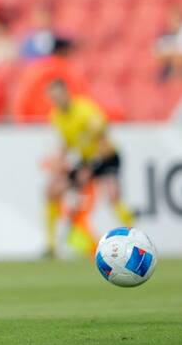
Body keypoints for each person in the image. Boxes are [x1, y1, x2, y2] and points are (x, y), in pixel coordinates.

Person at [44, 79, 135, 258]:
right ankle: (51, 245)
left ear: (66, 93)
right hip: (86, 161)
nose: (57, 100)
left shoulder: (85, 110)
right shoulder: (56, 116)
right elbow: (67, 144)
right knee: (52, 190)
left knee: (112, 196)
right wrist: (60, 163)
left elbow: (103, 140)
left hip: (106, 158)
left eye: (59, 95)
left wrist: (91, 167)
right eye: (53, 97)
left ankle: (135, 240)